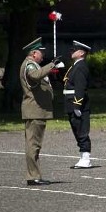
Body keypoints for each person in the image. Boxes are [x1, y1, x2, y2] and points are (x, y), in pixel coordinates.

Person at [20, 37, 63, 185]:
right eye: (41, 52)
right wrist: (52, 65)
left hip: (37, 110)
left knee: (35, 145)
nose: (43, 55)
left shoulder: (33, 64)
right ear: (33, 53)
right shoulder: (30, 65)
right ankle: (33, 176)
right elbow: (35, 76)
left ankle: (34, 175)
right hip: (34, 110)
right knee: (33, 144)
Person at [64, 40, 93, 169]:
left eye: (74, 50)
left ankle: (86, 158)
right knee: (77, 130)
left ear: (81, 53)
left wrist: (77, 105)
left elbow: (80, 88)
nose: (71, 52)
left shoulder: (81, 66)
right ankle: (83, 156)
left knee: (82, 131)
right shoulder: (75, 65)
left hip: (77, 104)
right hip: (71, 103)